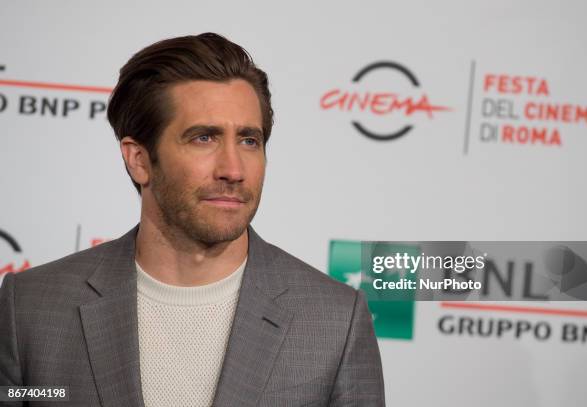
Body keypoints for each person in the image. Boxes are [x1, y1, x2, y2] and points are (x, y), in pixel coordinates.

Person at [0, 33, 385, 406]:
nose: (233, 169)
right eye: (204, 138)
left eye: (249, 140)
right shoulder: (30, 310)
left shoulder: (336, 322)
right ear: (139, 159)